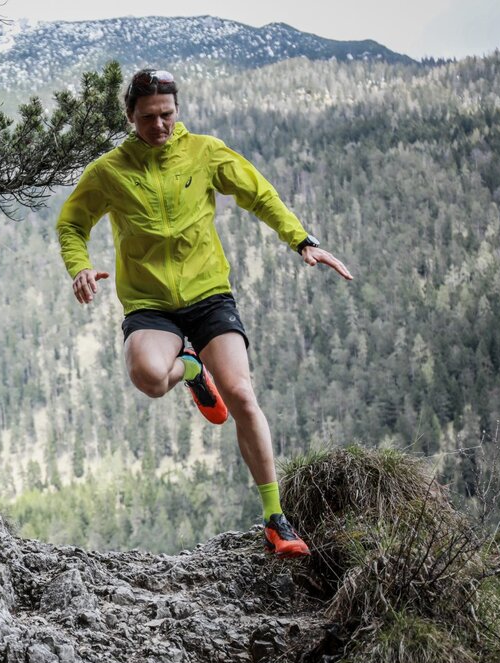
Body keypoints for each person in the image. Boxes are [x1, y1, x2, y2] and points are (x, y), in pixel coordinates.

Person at [56, 68, 353, 558]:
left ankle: (276, 518)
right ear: (130, 116)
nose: (159, 126)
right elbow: (71, 223)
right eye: (148, 117)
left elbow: (258, 193)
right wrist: (80, 266)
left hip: (209, 295)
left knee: (239, 392)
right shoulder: (109, 171)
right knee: (150, 377)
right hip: (150, 304)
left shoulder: (205, 152)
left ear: (177, 111)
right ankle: (191, 367)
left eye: (167, 115)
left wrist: (302, 239)